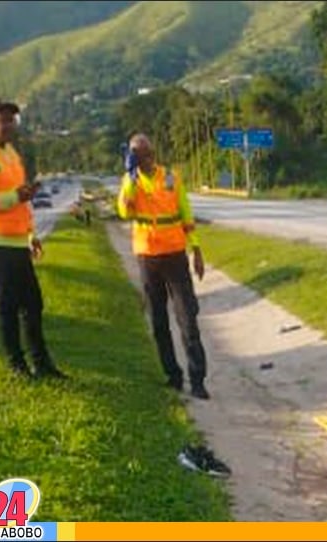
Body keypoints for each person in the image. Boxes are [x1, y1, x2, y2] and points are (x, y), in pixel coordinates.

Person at [0, 98, 66, 379]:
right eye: (3, 119)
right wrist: (14, 197)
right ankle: (17, 365)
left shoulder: (10, 152)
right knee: (8, 305)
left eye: (12, 120)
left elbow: (22, 199)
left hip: (17, 240)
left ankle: (42, 363)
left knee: (33, 303)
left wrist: (31, 232)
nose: (9, 125)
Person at [116, 132, 210, 400]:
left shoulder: (170, 177)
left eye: (147, 153)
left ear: (153, 153)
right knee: (159, 322)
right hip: (147, 257)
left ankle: (198, 379)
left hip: (175, 255)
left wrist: (197, 248)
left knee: (187, 318)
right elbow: (124, 211)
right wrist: (130, 180)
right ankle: (173, 376)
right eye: (137, 154)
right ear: (131, 156)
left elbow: (186, 213)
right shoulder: (130, 181)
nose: (144, 158)